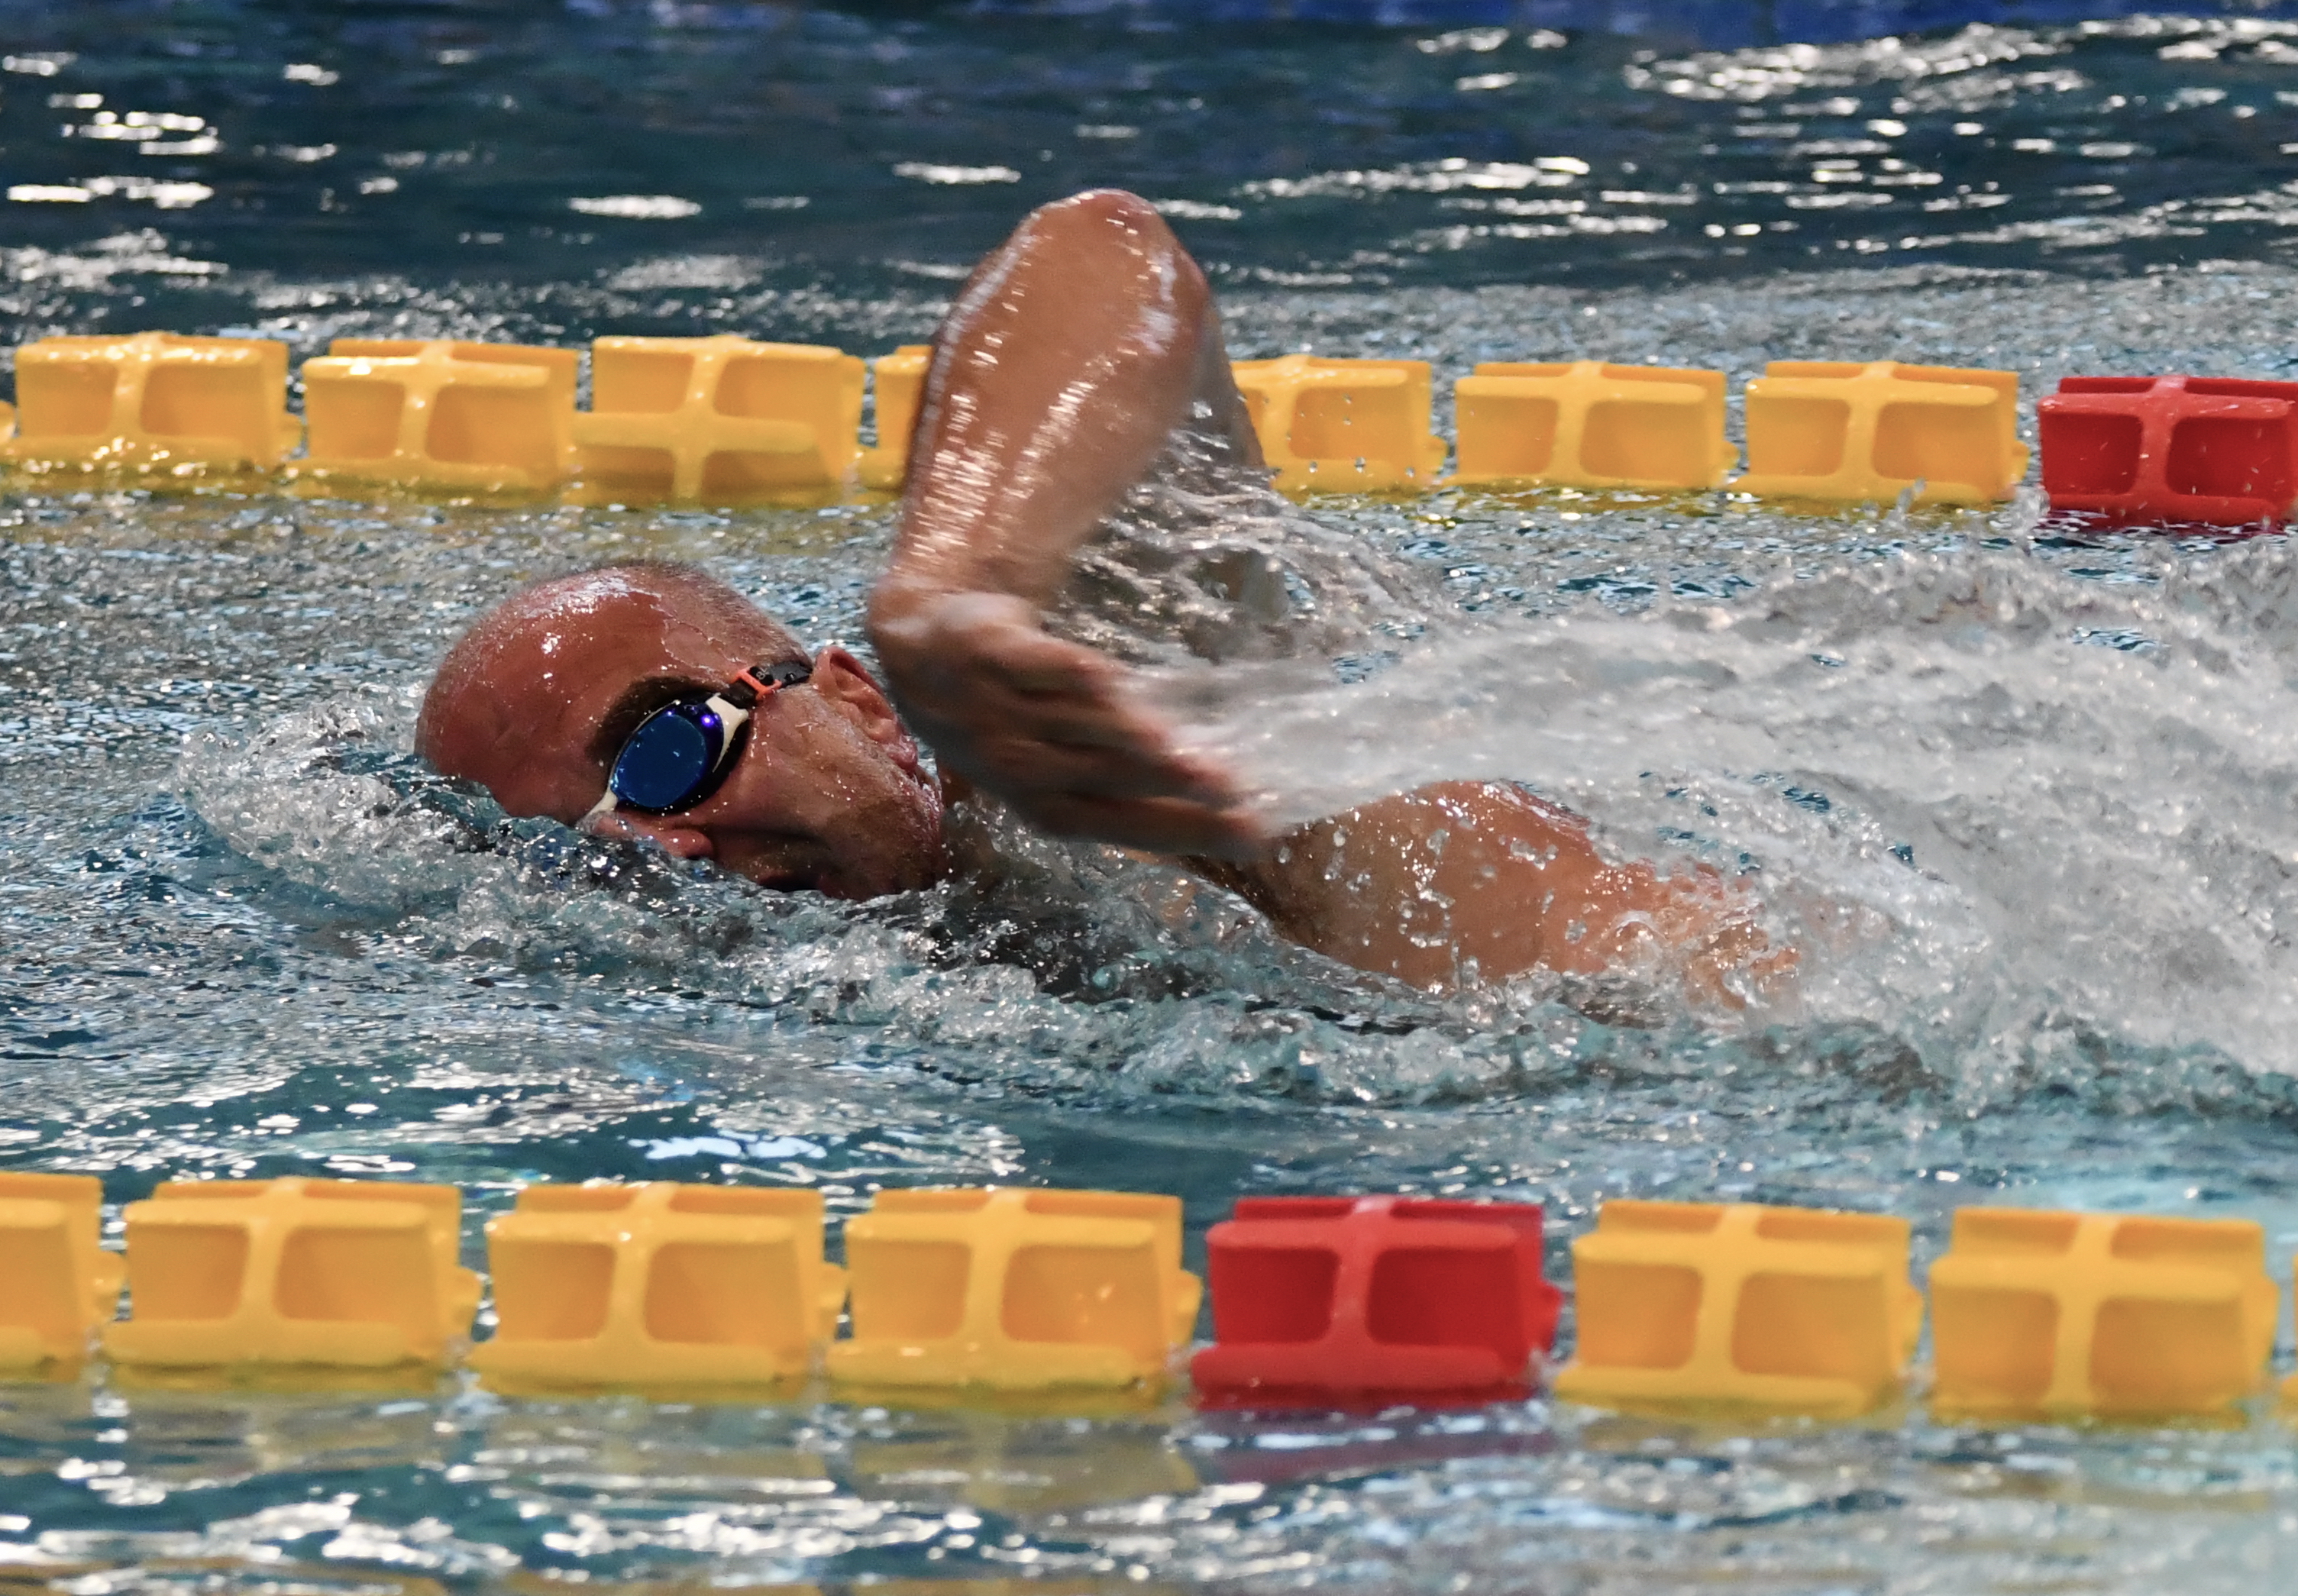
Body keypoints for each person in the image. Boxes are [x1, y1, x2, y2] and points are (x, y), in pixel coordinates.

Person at [418, 190, 1777, 1001]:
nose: (659, 852)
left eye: (665, 755)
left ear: (857, 701)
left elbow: (1103, 254)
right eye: (585, 852)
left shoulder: (1089, 795)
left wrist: (962, 591)